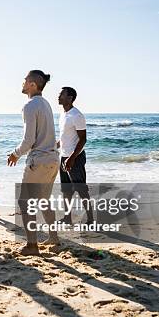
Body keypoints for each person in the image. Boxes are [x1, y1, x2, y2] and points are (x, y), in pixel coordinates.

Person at [7, 70, 60, 256]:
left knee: (25, 202)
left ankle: (32, 245)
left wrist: (15, 154)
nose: (22, 84)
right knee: (44, 200)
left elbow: (28, 140)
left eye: (24, 81)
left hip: (39, 160)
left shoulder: (29, 105)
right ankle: (53, 238)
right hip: (53, 159)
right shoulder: (45, 104)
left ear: (32, 84)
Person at [58, 87, 94, 224]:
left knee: (81, 190)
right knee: (66, 191)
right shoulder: (63, 114)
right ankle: (67, 218)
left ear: (70, 97)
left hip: (75, 158)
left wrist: (72, 158)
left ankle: (90, 219)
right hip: (64, 157)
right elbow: (65, 137)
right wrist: (53, 147)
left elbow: (83, 139)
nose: (59, 96)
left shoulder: (77, 115)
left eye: (62, 94)